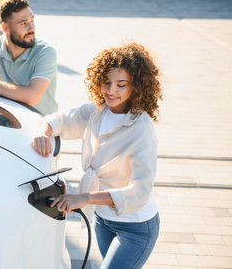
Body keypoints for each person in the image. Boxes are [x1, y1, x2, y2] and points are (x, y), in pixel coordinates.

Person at [32, 42, 162, 268]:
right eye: (107, 82)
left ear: (136, 87)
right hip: (102, 220)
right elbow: (61, 120)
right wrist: (44, 133)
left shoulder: (142, 128)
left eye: (121, 85)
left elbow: (140, 191)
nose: (111, 91)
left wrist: (86, 198)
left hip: (136, 226)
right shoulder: (96, 111)